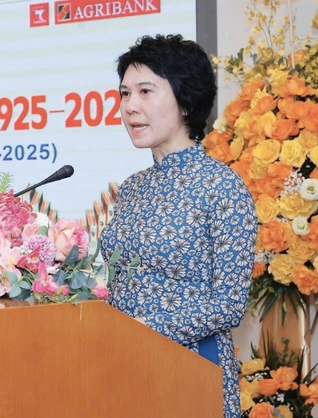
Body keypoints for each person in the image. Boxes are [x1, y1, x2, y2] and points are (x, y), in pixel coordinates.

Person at [99, 34, 258, 418]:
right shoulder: (132, 187)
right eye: (124, 93)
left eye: (145, 91)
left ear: (186, 102)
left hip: (190, 369)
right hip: (123, 366)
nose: (130, 106)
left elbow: (229, 305)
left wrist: (143, 327)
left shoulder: (222, 187)